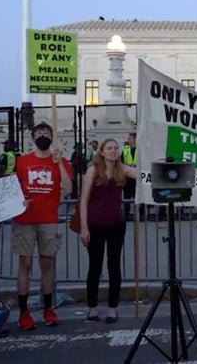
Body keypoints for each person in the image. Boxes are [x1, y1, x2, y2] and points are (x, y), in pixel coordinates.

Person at [13, 123, 73, 330]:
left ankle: (48, 309)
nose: (42, 135)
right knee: (25, 265)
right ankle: (24, 312)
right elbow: (12, 188)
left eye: (46, 133)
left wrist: (58, 164)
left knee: (46, 265)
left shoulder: (61, 161)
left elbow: (68, 188)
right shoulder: (22, 161)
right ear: (32, 138)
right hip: (24, 219)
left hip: (48, 219)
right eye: (39, 133)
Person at [77, 138, 137, 324]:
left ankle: (113, 308)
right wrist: (84, 227)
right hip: (95, 224)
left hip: (116, 224)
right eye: (109, 148)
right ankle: (92, 307)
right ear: (101, 152)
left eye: (115, 148)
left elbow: (144, 175)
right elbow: (84, 200)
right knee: (95, 266)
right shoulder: (93, 171)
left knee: (114, 266)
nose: (113, 151)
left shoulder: (122, 169)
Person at [121, 132, 138, 220]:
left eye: (130, 138)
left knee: (137, 196)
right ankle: (126, 215)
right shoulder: (125, 149)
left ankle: (139, 215)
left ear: (135, 139)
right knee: (127, 197)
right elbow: (121, 162)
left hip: (137, 176)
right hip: (127, 177)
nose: (128, 139)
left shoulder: (140, 149)